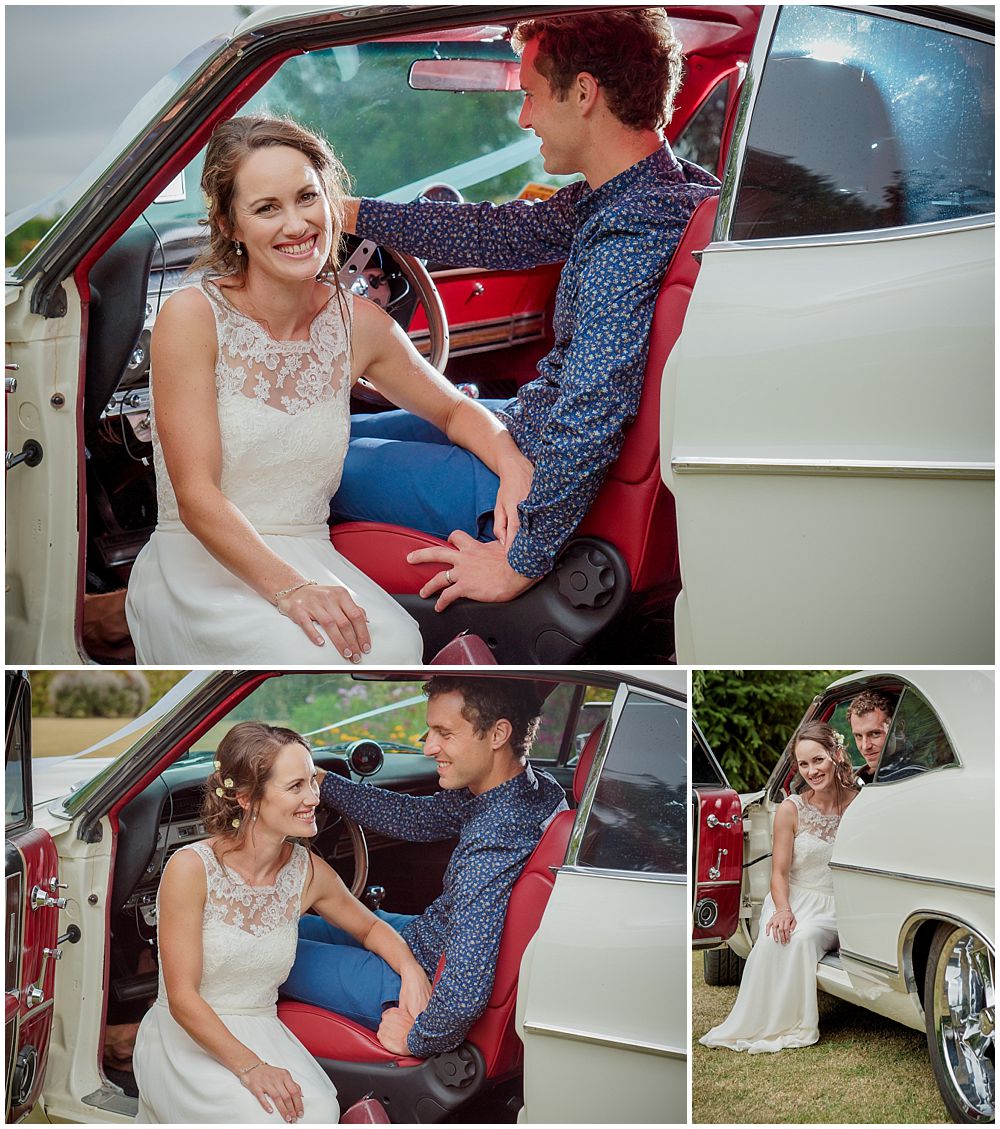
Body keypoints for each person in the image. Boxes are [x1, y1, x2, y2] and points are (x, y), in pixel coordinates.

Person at [330, 10, 720, 611]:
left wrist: (520, 561)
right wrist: (348, 214)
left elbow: (592, 411)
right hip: (523, 426)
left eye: (533, 95)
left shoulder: (630, 232)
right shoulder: (656, 191)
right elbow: (500, 233)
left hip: (524, 490)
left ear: (584, 93)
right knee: (329, 433)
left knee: (300, 465)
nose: (525, 116)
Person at [125, 116, 533, 664]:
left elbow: (456, 410)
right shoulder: (192, 317)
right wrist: (291, 590)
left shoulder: (360, 323)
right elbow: (197, 499)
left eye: (306, 198)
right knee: (336, 654)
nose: (296, 225)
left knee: (399, 643)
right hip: (200, 561)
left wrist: (512, 465)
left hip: (312, 551)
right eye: (267, 208)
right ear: (229, 225)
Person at [133, 722, 431, 1124]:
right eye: (295, 787)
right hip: (186, 1037)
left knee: (319, 1111)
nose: (314, 798)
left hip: (263, 1026)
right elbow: (183, 998)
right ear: (246, 798)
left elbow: (370, 927)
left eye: (313, 781)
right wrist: (252, 1068)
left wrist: (409, 968)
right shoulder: (190, 869)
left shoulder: (308, 871)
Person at [280, 677, 568, 1057]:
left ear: (498, 733)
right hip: (425, 938)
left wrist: (418, 1037)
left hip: (415, 980)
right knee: (288, 926)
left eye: (444, 734)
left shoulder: (496, 836)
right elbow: (416, 818)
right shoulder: (532, 790)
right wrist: (321, 783)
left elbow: (464, 989)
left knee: (263, 952)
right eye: (429, 731)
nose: (429, 747)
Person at [699, 721, 860, 1054]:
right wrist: (783, 909)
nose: (812, 770)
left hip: (838, 904)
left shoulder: (861, 803)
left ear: (835, 754)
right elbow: (779, 873)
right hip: (794, 897)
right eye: (803, 764)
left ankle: (795, 1021)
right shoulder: (791, 809)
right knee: (785, 936)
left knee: (803, 938)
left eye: (818, 760)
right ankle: (776, 1023)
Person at [846, 690, 895, 783]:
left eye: (875, 734)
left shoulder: (913, 774)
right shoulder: (863, 776)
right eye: (859, 736)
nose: (865, 746)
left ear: (899, 727)